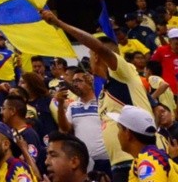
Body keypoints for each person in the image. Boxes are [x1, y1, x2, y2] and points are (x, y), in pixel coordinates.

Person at [40, 10, 153, 182]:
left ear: (96, 56)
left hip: (139, 160)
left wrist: (59, 23)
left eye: (91, 53)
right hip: (117, 164)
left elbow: (98, 46)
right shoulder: (103, 92)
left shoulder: (125, 73)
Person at [54, 70, 109, 175]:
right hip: (84, 160)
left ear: (90, 83)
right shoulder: (73, 106)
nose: (75, 84)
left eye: (79, 81)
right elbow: (65, 129)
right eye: (73, 81)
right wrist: (61, 106)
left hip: (105, 159)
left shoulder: (102, 102)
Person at [108, 105, 172, 182]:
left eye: (119, 129)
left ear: (128, 134)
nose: (118, 134)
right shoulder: (145, 159)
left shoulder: (148, 163)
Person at [150, 28, 178, 94]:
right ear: (170, 41)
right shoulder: (161, 50)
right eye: (177, 44)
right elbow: (151, 66)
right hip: (168, 91)